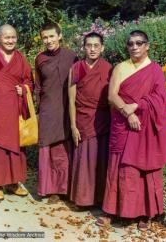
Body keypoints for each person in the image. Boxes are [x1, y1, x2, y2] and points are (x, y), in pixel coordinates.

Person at [98, 30, 166, 229]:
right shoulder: (120, 68)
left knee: (145, 169)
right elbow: (112, 96)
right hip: (123, 125)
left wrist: (138, 105)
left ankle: (145, 213)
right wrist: (128, 112)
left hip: (146, 129)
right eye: (131, 43)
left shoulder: (155, 70)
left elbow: (160, 99)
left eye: (139, 43)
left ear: (147, 45)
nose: (134, 47)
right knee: (118, 168)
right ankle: (110, 211)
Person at [0, 24, 33, 201]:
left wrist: (23, 89)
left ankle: (13, 182)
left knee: (16, 147)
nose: (10, 40)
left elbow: (29, 82)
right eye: (6, 37)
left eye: (13, 37)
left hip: (14, 111)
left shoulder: (20, 58)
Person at [68, 32, 112, 207]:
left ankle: (100, 198)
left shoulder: (109, 68)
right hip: (83, 120)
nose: (92, 49)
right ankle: (83, 199)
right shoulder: (76, 68)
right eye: (89, 45)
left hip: (102, 120)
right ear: (84, 47)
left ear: (102, 47)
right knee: (84, 159)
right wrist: (73, 126)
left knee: (101, 160)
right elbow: (71, 99)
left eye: (96, 46)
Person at [35, 22, 78, 201]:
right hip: (47, 107)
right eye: (45, 37)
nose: (48, 40)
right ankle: (50, 188)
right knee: (48, 147)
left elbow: (78, 82)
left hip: (67, 107)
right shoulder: (40, 58)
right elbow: (37, 86)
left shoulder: (72, 56)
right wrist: (37, 111)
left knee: (64, 147)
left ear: (59, 36)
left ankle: (64, 188)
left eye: (52, 36)